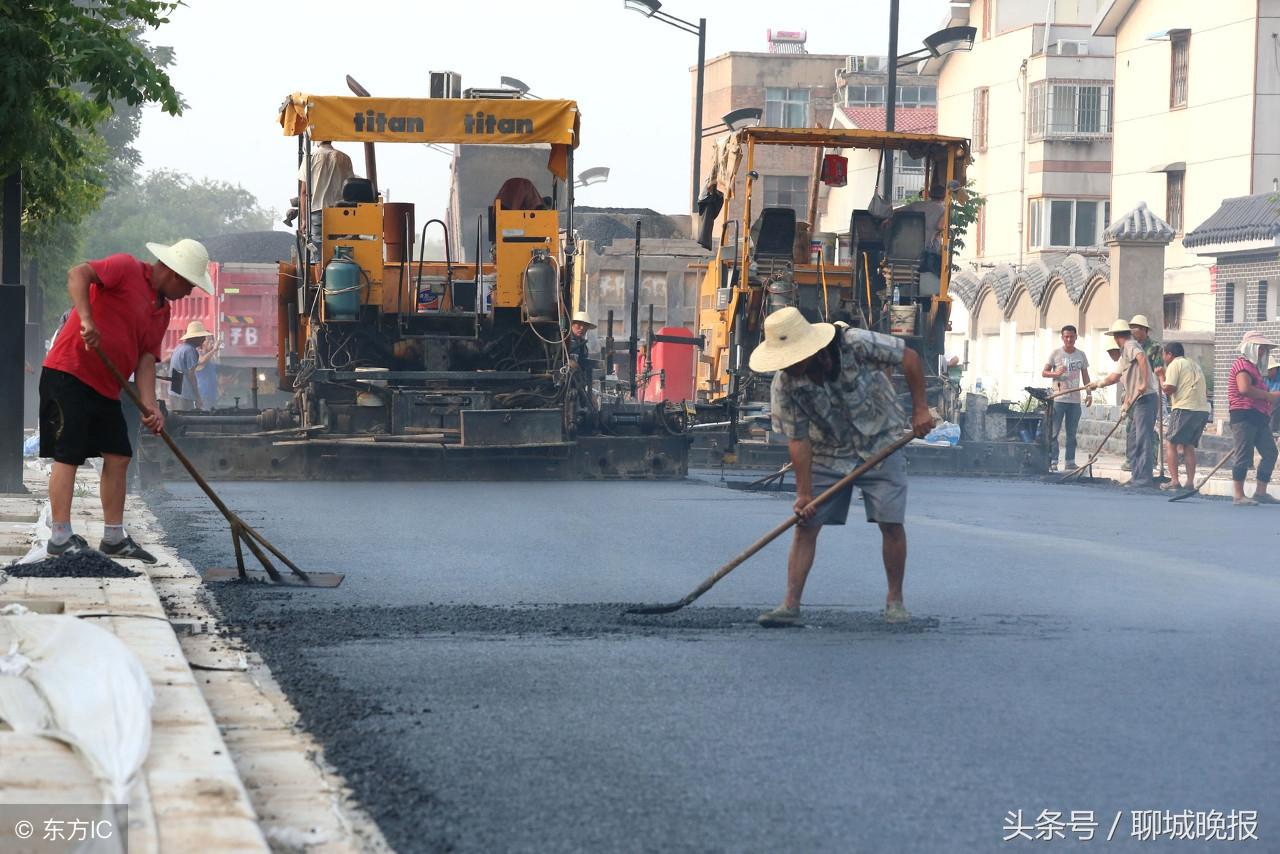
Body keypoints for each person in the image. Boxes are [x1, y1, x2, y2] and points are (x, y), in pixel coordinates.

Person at [751, 306, 934, 627]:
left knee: (890, 523)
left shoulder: (854, 343)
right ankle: (790, 604)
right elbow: (798, 440)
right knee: (805, 524)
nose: (788, 367)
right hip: (828, 450)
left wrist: (921, 409)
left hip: (881, 440)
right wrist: (804, 495)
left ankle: (895, 602)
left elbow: (910, 358)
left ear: (809, 349)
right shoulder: (785, 385)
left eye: (792, 359)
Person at [39, 238, 214, 560]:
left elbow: (146, 358)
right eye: (189, 286)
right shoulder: (126, 268)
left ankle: (114, 537)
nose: (189, 294)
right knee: (68, 453)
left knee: (119, 455)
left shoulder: (162, 312)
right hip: (68, 373)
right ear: (174, 274)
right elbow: (78, 273)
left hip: (106, 386)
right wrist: (87, 319)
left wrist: (149, 405)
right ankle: (60, 536)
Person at [1087, 318, 1159, 486]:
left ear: (1117, 337)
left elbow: (1141, 358)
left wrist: (1144, 382)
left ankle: (1144, 478)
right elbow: (1116, 377)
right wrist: (1098, 384)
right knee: (1134, 439)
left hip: (1145, 399)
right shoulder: (1124, 355)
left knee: (1143, 439)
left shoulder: (1130, 345)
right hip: (1137, 401)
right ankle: (1137, 475)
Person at [1226, 331, 1280, 506]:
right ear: (1251, 348)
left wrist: (1268, 399)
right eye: (1261, 348)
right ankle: (1238, 495)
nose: (1263, 352)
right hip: (1244, 415)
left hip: (1258, 417)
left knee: (1270, 452)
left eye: (1265, 349)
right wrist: (1268, 396)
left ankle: (1260, 491)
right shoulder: (1242, 365)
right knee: (1243, 455)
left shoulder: (1254, 369)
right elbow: (1244, 389)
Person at [1040, 324, 1092, 471]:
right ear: (1062, 338)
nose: (1069, 339)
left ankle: (1070, 461)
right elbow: (1044, 372)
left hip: (1074, 401)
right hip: (1058, 399)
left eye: (1072, 336)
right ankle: (1053, 461)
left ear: (1076, 337)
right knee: (1054, 432)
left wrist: (1089, 393)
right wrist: (1055, 374)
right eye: (1066, 337)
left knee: (1072, 434)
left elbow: (1086, 376)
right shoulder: (1056, 354)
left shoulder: (1081, 355)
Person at [1160, 342, 1210, 492]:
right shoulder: (1194, 364)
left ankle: (1174, 481)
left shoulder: (1175, 364)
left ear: (1169, 354)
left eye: (1164, 355)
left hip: (1184, 407)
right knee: (1188, 445)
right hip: (1201, 409)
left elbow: (1169, 389)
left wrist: (1161, 376)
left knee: (1171, 442)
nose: (1164, 358)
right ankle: (1189, 483)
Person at [299, 140, 356, 241]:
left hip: (317, 211)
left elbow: (304, 192)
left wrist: (304, 220)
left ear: (317, 140)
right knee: (337, 249)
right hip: (340, 211)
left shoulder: (309, 158)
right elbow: (351, 186)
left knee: (318, 250)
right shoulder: (344, 158)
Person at [168, 320, 211, 412]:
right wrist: (198, 397)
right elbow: (191, 376)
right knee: (186, 421)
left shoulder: (179, 348)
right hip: (184, 394)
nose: (204, 340)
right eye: (202, 337)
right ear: (196, 338)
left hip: (174, 391)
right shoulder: (191, 351)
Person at [195, 336, 220, 411]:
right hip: (202, 393)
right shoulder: (198, 352)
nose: (211, 342)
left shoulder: (211, 356)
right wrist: (214, 350)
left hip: (212, 393)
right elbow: (201, 361)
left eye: (212, 339)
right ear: (202, 342)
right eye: (208, 339)